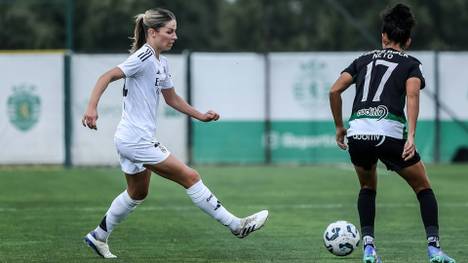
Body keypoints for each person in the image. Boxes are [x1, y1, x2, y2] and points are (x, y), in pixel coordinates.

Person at [82, 8, 268, 259]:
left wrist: (199, 115)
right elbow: (108, 76)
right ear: (152, 32)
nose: (175, 36)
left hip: (131, 138)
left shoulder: (162, 62)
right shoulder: (145, 55)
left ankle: (98, 236)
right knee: (190, 176)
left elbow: (171, 98)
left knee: (138, 192)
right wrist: (92, 108)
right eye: (169, 31)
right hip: (135, 139)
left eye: (175, 31)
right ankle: (236, 225)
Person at [329, 3, 455, 263]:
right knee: (423, 188)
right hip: (389, 134)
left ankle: (369, 249)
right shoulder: (411, 64)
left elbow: (334, 90)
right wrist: (410, 137)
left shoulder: (362, 60)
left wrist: (340, 127)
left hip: (359, 134)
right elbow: (412, 95)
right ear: (407, 41)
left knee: (367, 187)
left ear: (383, 37)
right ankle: (434, 249)